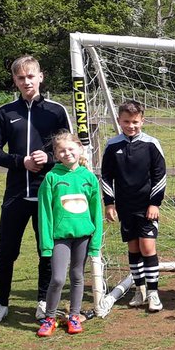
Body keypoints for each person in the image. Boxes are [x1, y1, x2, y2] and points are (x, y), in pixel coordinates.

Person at [0, 55, 72, 326]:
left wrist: (50, 158)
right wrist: (20, 161)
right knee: (7, 250)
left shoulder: (56, 111)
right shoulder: (5, 112)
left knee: (46, 250)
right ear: (15, 81)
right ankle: (0, 303)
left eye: (30, 76)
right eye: (21, 78)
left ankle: (44, 301)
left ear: (40, 77)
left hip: (47, 194)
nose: (26, 82)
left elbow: (70, 149)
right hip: (15, 195)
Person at [100, 99, 167, 313]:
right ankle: (140, 290)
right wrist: (110, 204)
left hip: (147, 207)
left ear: (142, 120)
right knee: (133, 248)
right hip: (125, 207)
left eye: (135, 121)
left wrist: (154, 203)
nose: (131, 125)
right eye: (127, 121)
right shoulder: (112, 145)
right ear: (119, 120)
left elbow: (160, 176)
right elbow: (106, 176)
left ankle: (154, 293)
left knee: (148, 247)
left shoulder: (151, 144)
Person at [36, 132, 103, 337]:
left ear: (80, 149)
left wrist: (95, 242)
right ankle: (49, 317)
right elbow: (45, 213)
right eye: (62, 150)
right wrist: (46, 243)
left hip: (83, 237)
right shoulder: (51, 177)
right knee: (57, 279)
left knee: (77, 276)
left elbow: (96, 212)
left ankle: (74, 315)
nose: (67, 153)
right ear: (55, 154)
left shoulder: (89, 177)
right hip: (60, 238)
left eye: (70, 149)